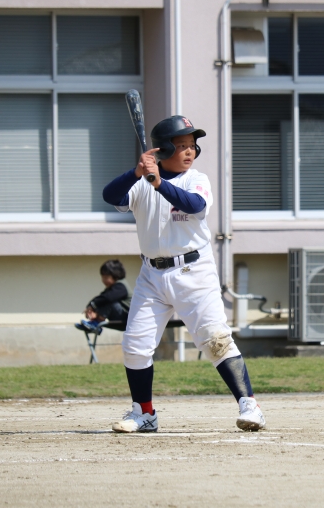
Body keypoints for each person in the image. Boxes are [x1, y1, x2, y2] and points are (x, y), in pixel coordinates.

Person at [101, 115, 265, 433]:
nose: (189, 151)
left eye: (192, 145)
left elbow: (193, 205)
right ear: (162, 150)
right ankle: (144, 414)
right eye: (181, 146)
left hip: (193, 271)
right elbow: (110, 196)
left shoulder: (196, 179)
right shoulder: (140, 182)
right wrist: (137, 172)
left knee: (215, 340)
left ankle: (250, 406)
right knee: (135, 346)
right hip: (152, 275)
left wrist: (158, 183)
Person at [76, 259, 131, 333]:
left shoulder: (121, 286)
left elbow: (107, 298)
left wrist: (93, 305)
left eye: (106, 277)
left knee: (108, 301)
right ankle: (94, 322)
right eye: (102, 277)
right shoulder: (112, 288)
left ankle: (96, 323)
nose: (103, 280)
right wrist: (90, 308)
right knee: (102, 301)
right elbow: (100, 298)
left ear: (115, 276)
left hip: (127, 319)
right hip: (120, 317)